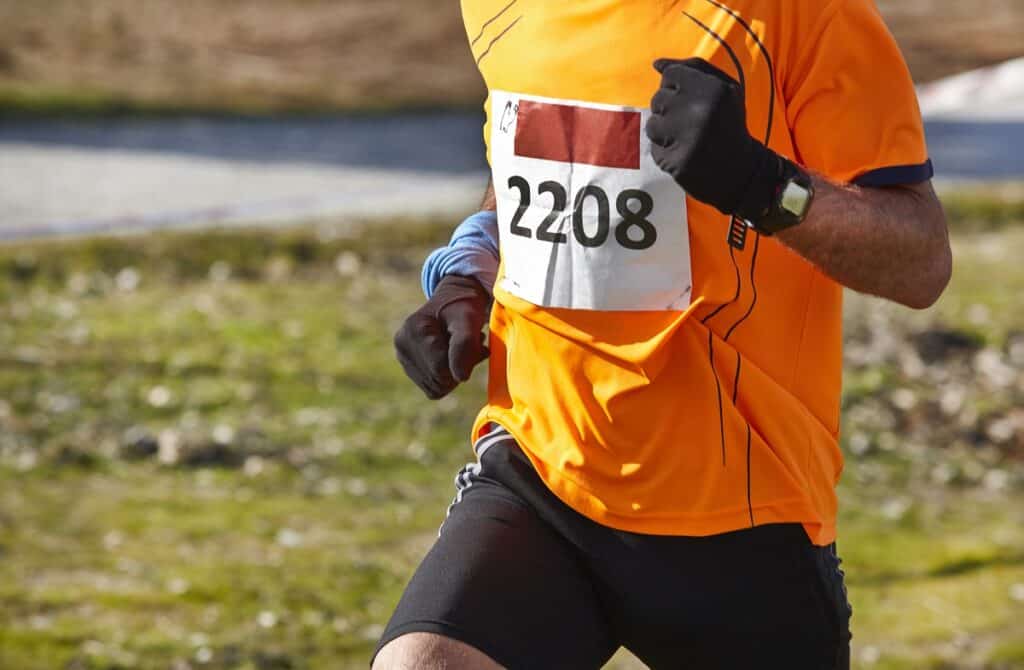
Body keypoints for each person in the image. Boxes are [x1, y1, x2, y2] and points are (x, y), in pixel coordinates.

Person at [377, 0, 951, 667]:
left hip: (742, 508)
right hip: (546, 466)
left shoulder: (803, 15)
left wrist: (765, 186)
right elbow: (533, 150)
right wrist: (467, 272)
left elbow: (920, 262)